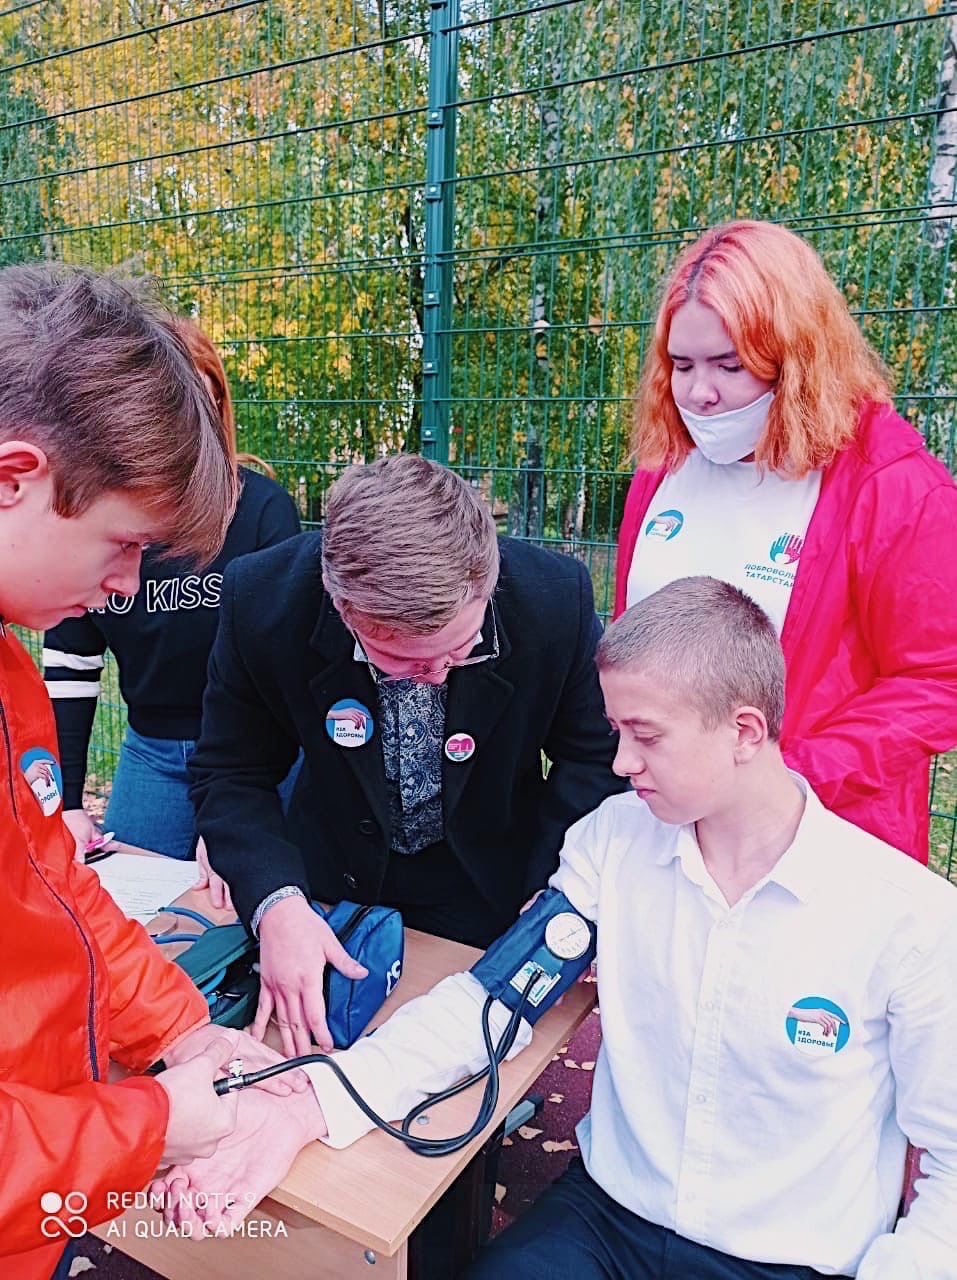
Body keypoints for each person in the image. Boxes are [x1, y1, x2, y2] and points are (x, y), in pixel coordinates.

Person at [157, 578, 957, 1280]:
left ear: (745, 731)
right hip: (609, 1220)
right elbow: (492, 1003)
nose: (618, 763)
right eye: (614, 731)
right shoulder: (612, 844)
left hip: (790, 1258)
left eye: (645, 735)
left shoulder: (906, 919)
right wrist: (308, 1106)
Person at [0, 264, 319, 1280]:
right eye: (125, 543)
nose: (129, 586)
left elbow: (59, 884)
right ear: (14, 477)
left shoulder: (10, 663)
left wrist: (182, 1029)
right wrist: (143, 1122)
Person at [189, 453, 626, 1056]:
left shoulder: (555, 599)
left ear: (488, 582)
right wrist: (276, 904)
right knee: (316, 1055)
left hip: (491, 879)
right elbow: (232, 772)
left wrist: (557, 884)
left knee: (470, 1066)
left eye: (461, 649)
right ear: (344, 609)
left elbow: (594, 761)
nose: (437, 677)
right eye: (407, 662)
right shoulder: (262, 599)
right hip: (332, 880)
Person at [614, 220, 957, 863]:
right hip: (670, 827)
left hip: (825, 835)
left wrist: (792, 778)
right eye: (680, 364)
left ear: (797, 358)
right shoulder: (664, 467)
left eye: (730, 365)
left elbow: (939, 678)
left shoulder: (893, 486)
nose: (699, 394)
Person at [43, 318, 300, 863]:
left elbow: (279, 666)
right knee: (128, 902)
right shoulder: (93, 521)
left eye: (199, 413)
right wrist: (66, 800)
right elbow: (71, 661)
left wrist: (237, 803)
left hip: (255, 747)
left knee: (252, 901)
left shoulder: (264, 510)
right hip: (153, 751)